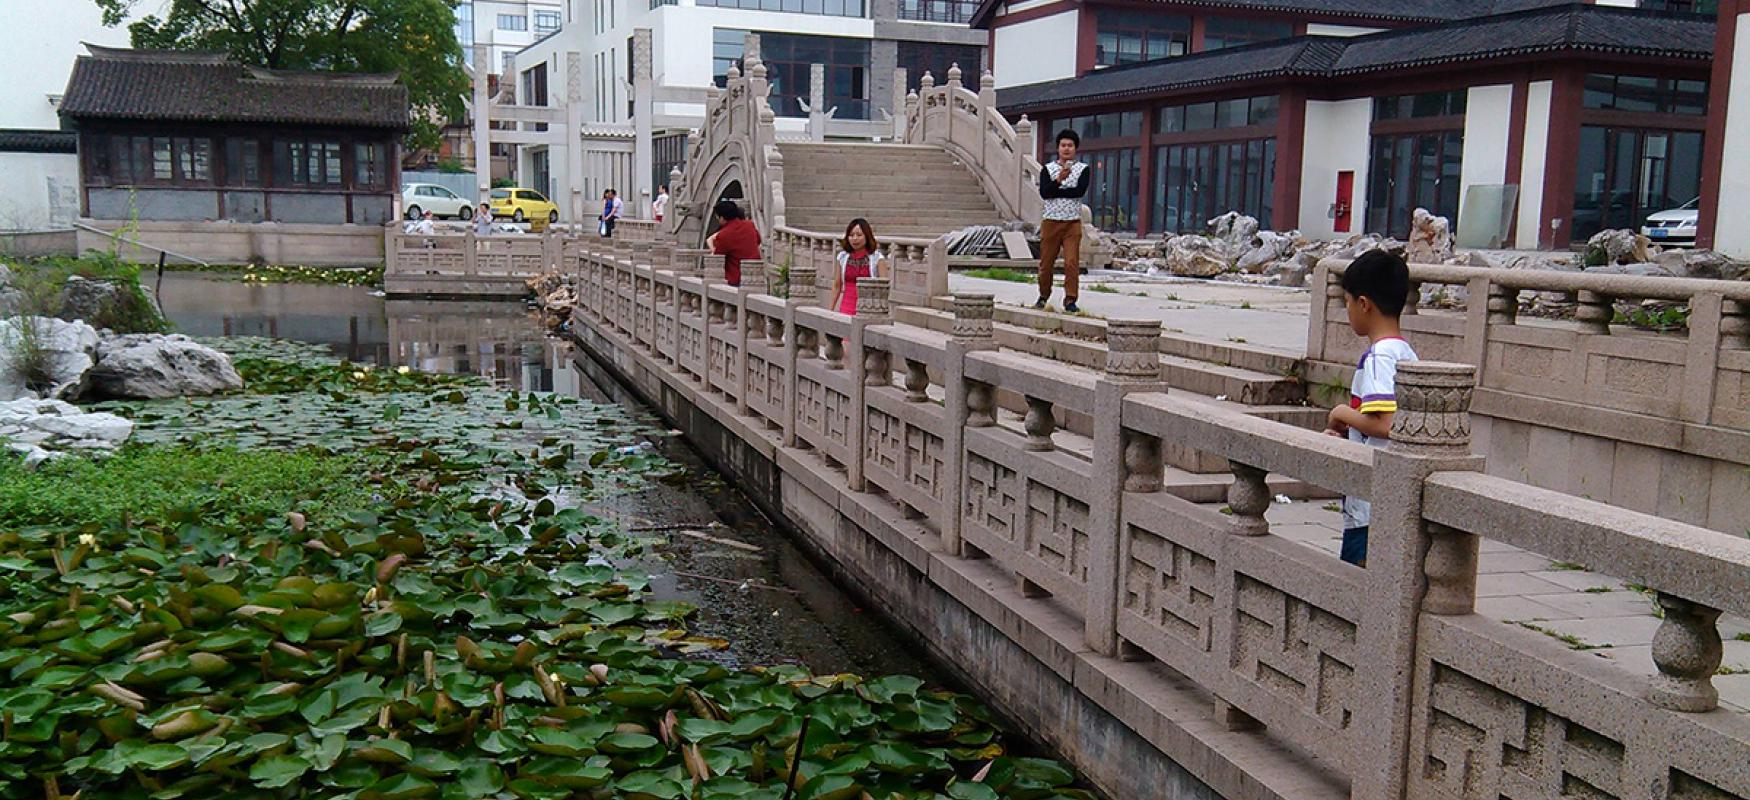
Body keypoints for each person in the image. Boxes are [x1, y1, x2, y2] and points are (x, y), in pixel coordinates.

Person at [1322, 249, 1417, 568]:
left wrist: (1340, 413)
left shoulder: (1380, 357)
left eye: (1347, 302)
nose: (1347, 310)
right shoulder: (1405, 352)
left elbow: (1385, 424)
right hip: (1390, 504)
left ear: (1364, 304)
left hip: (1369, 509)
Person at [1036, 129, 1089, 314]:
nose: (1066, 149)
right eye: (1063, 145)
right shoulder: (1048, 169)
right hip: (1051, 222)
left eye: (1070, 145)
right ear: (1058, 148)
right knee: (1046, 263)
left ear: (1075, 149)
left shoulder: (1083, 169)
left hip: (1072, 223)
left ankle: (1070, 300)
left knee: (1071, 262)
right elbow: (1045, 193)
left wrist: (1057, 190)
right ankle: (1043, 296)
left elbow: (1079, 192)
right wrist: (1059, 180)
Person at [830, 218, 884, 316]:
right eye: (851, 235)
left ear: (867, 236)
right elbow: (837, 285)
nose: (855, 238)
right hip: (846, 307)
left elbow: (883, 289)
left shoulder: (877, 258)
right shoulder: (842, 257)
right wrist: (831, 309)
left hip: (868, 309)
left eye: (859, 235)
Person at [705, 200, 760, 287]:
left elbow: (718, 257)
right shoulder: (750, 225)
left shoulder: (724, 235)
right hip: (756, 277)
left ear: (722, 218)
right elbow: (758, 240)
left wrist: (711, 245)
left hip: (735, 280)